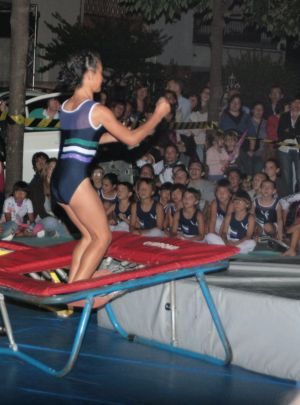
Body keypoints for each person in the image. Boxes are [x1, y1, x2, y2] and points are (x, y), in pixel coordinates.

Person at [51, 50, 170, 283]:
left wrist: (119, 132)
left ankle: (71, 288)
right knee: (103, 237)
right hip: (75, 180)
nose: (103, 79)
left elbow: (86, 139)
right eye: (101, 72)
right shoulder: (97, 110)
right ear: (90, 73)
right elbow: (133, 140)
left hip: (58, 180)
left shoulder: (67, 105)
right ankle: (78, 292)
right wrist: (157, 115)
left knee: (88, 236)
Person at [207, 190, 256, 254]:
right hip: (229, 241)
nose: (237, 204)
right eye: (235, 202)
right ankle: (235, 250)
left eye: (240, 201)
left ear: (247, 204)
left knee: (252, 243)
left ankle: (230, 250)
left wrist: (236, 243)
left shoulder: (250, 218)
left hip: (241, 242)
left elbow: (248, 236)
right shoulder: (229, 216)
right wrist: (227, 242)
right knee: (209, 236)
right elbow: (224, 233)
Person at [277, 94, 300, 196]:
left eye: (299, 102)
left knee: (299, 176)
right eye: (294, 102)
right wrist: (294, 132)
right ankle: (288, 199)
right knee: (286, 176)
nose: (297, 104)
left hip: (298, 148)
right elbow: (280, 134)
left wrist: (289, 131)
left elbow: (292, 132)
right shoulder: (284, 116)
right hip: (284, 148)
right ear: (290, 104)